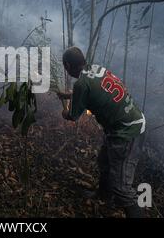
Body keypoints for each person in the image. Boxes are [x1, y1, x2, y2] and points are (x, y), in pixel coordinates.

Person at [59, 46, 146, 218]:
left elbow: (72, 116)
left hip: (127, 133)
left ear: (68, 65)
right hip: (127, 123)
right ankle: (104, 196)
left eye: (64, 66)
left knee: (122, 189)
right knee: (104, 162)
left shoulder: (81, 84)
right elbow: (93, 90)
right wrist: (69, 95)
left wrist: (65, 111)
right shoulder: (96, 69)